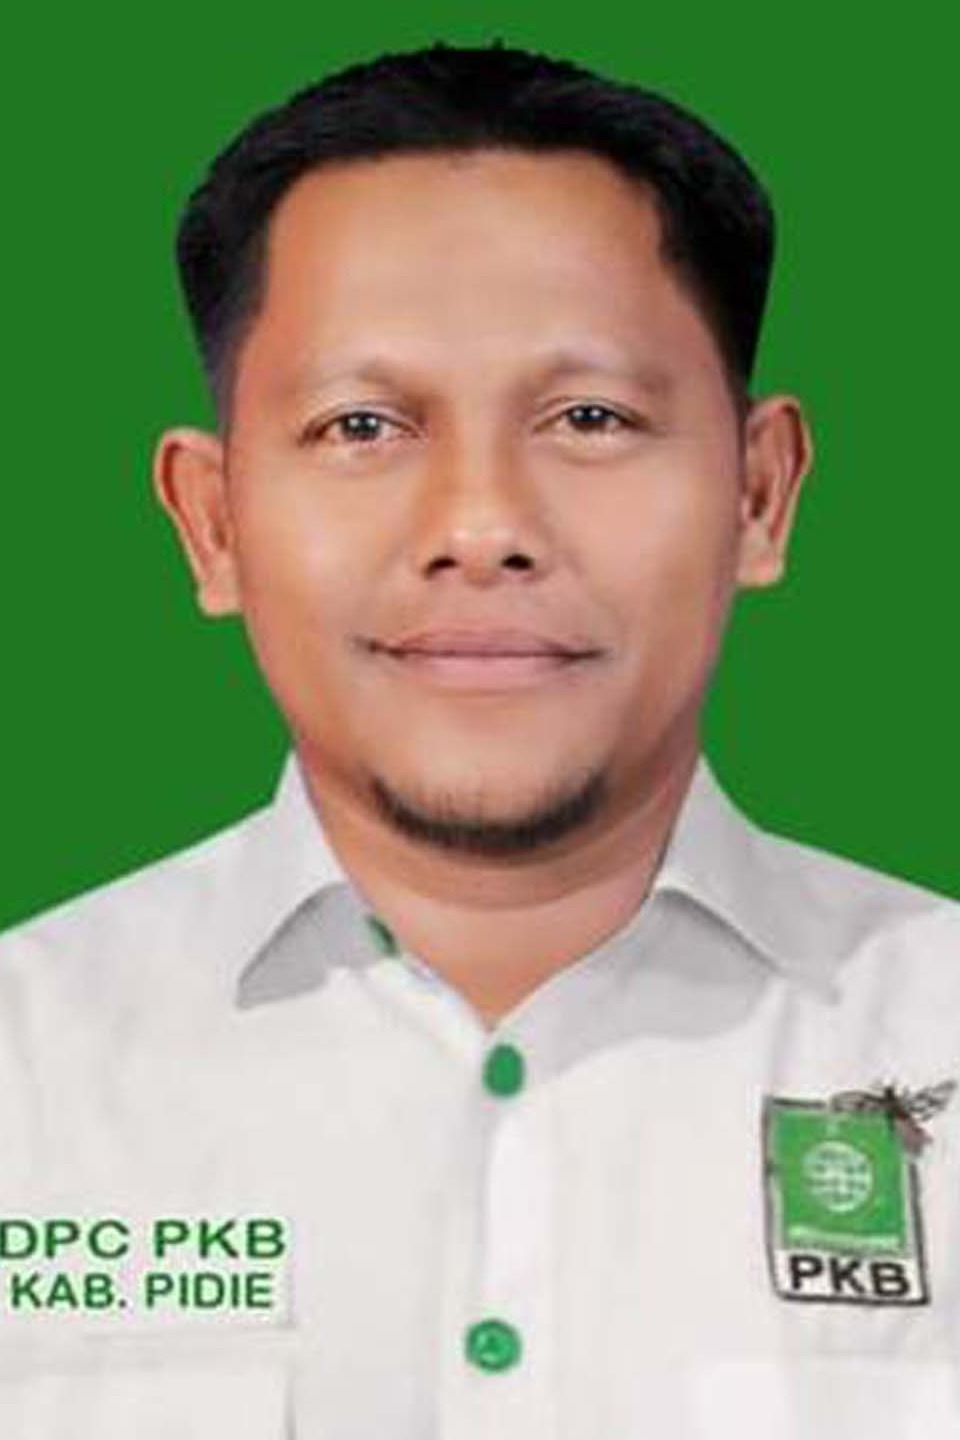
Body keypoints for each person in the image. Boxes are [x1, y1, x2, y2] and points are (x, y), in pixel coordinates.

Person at [0, 40, 958, 1439]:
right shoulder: (24, 1071)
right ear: (212, 521)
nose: (481, 527)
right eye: (363, 424)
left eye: (590, 417)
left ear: (760, 493)